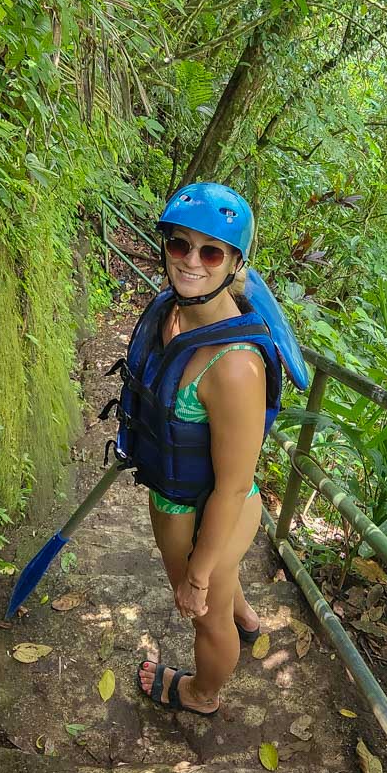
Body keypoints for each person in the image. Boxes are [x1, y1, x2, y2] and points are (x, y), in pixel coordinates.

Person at [111, 183, 286, 717]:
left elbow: (234, 485)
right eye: (178, 245)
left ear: (234, 263)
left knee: (206, 616)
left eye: (211, 252)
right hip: (181, 497)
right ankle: (247, 616)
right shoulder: (176, 311)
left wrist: (198, 575)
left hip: (212, 514)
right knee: (222, 596)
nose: (190, 262)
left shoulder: (234, 368)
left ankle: (201, 693)